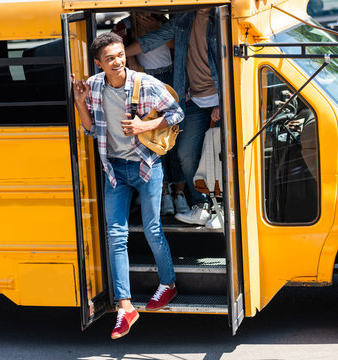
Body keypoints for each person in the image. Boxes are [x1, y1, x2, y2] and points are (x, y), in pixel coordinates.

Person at [72, 32, 184, 339]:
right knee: (115, 235)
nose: (118, 61)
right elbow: (92, 130)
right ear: (99, 64)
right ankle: (125, 307)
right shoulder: (94, 86)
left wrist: (145, 125)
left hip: (146, 166)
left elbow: (177, 113)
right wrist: (81, 103)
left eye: (120, 55)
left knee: (152, 228)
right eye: (110, 58)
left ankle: (168, 283)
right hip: (114, 170)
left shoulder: (145, 83)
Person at [126, 8, 221, 226]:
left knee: (224, 156)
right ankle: (202, 206)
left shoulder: (223, 18)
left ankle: (225, 209)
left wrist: (224, 101)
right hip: (194, 99)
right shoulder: (184, 19)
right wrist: (124, 55)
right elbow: (153, 40)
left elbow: (233, 62)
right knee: (186, 154)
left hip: (220, 98)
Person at [113, 12, 190, 216]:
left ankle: (180, 193)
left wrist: (157, 32)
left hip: (171, 74)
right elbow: (113, 53)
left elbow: (179, 45)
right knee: (154, 139)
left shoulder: (163, 21)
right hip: (145, 79)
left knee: (176, 135)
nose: (147, 10)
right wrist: (131, 60)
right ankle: (164, 191)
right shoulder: (123, 27)